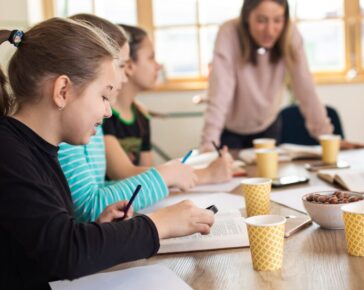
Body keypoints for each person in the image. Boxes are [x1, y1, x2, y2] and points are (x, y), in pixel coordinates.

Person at [0, 19, 214, 289]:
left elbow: (41, 241)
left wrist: (99, 227)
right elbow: (65, 252)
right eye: (103, 96)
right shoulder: (8, 153)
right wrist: (159, 224)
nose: (108, 111)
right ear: (63, 91)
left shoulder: (35, 149)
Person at [57, 15, 231, 222]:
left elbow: (97, 192)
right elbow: (90, 206)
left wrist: (167, 177)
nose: (123, 75)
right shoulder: (71, 131)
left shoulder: (92, 122)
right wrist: (166, 177)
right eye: (122, 65)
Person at [102, 24, 234, 181]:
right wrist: (207, 173)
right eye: (151, 57)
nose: (159, 66)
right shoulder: (103, 115)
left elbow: (146, 172)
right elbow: (123, 173)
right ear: (129, 65)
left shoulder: (141, 116)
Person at [200, 0, 333, 150]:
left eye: (277, 20)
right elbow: (220, 90)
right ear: (246, 17)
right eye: (261, 20)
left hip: (268, 127)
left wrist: (326, 137)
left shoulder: (290, 34)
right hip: (230, 130)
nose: (270, 30)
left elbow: (305, 87)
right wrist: (208, 143)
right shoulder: (229, 33)